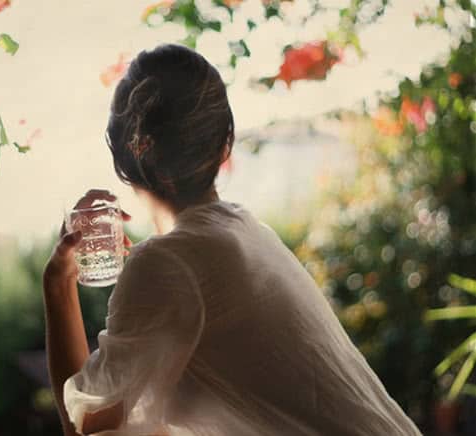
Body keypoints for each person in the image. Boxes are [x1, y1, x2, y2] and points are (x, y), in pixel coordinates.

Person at [42, 43, 423, 436]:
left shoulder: (168, 263)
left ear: (126, 151)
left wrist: (57, 286)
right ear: (224, 142)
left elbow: (87, 428)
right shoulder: (246, 230)